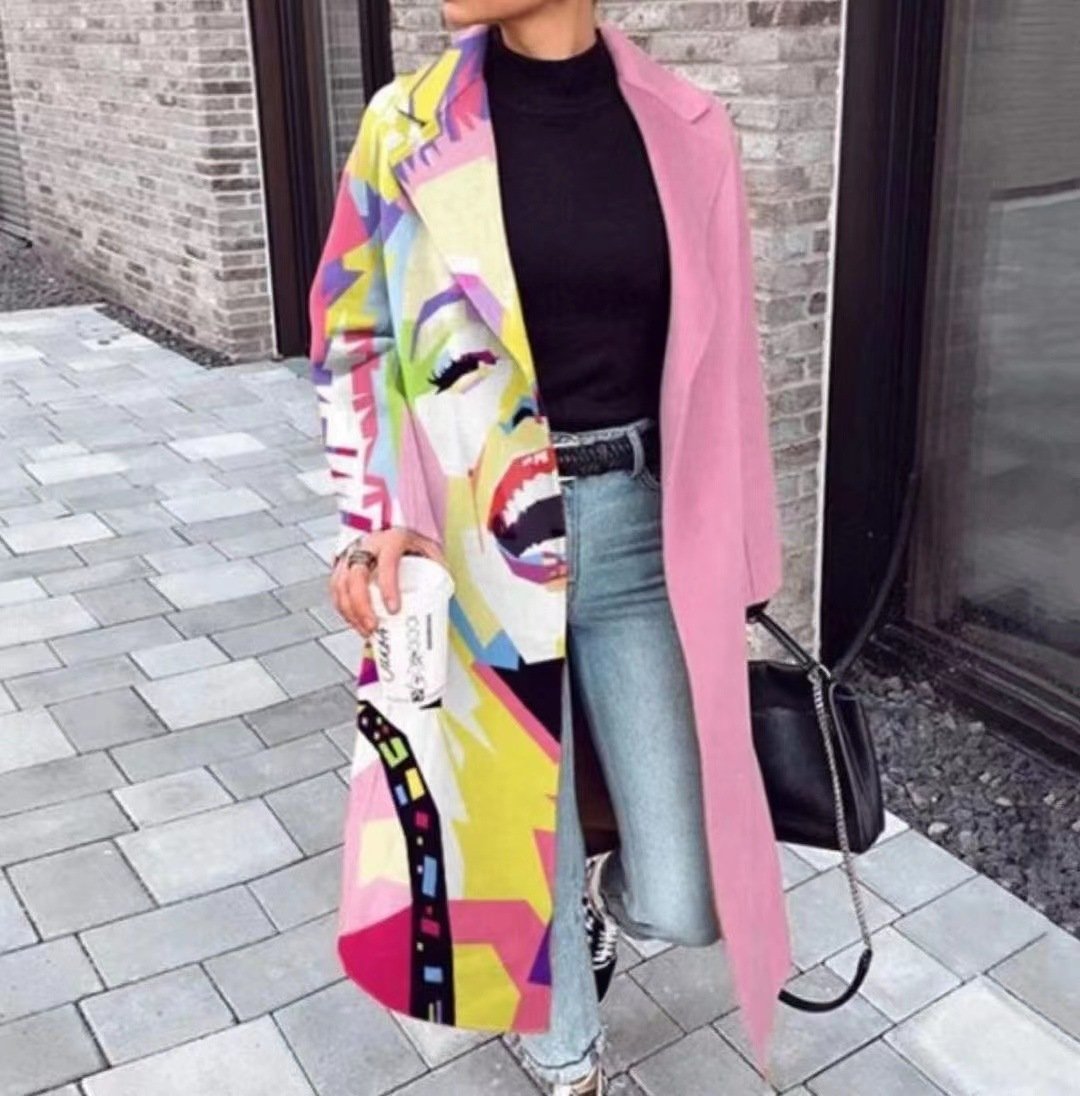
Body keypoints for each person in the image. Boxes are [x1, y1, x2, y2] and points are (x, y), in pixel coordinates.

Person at [309, 4, 792, 1094]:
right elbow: (353, 336)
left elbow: (730, 361)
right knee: (513, 838)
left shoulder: (689, 127)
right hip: (476, 545)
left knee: (688, 888)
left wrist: (745, 561)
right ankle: (567, 1055)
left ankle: (589, 911)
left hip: (642, 537)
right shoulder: (404, 126)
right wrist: (374, 516)